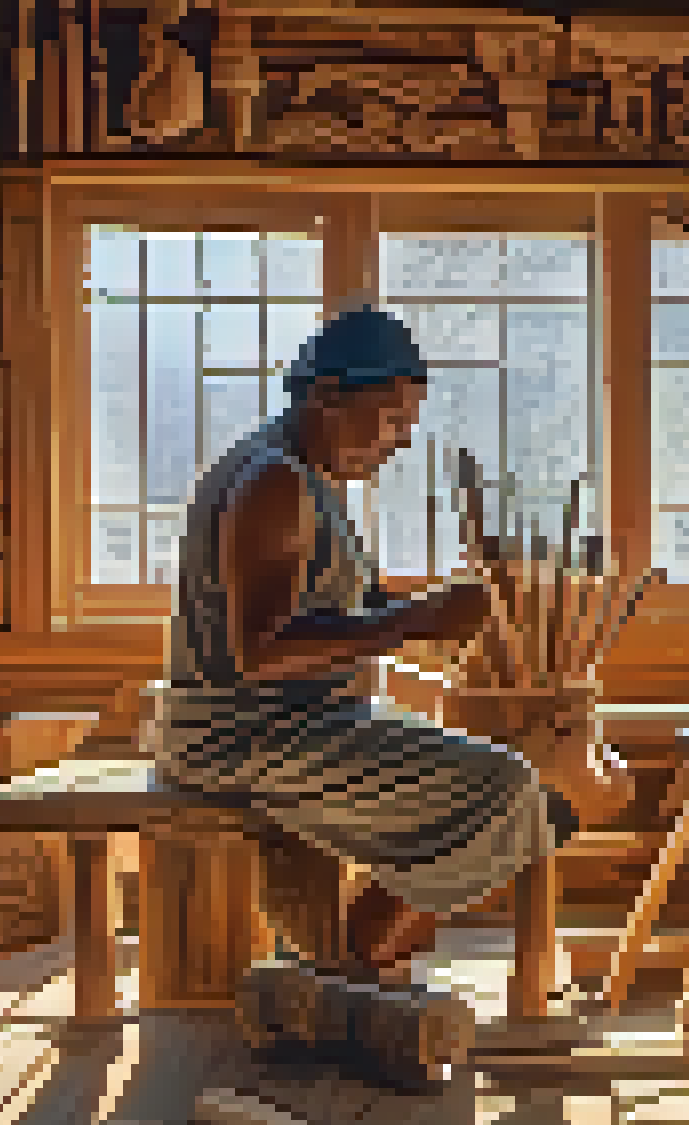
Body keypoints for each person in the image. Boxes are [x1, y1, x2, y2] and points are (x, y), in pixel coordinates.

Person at [156, 303, 576, 976]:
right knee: (501, 788)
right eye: (390, 420)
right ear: (326, 397)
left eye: (408, 424)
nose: (402, 441)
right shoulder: (273, 483)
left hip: (297, 723)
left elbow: (349, 606)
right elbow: (259, 652)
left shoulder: (311, 479)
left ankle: (347, 965)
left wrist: (442, 604)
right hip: (238, 737)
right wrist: (418, 621)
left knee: (499, 788)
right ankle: (340, 973)